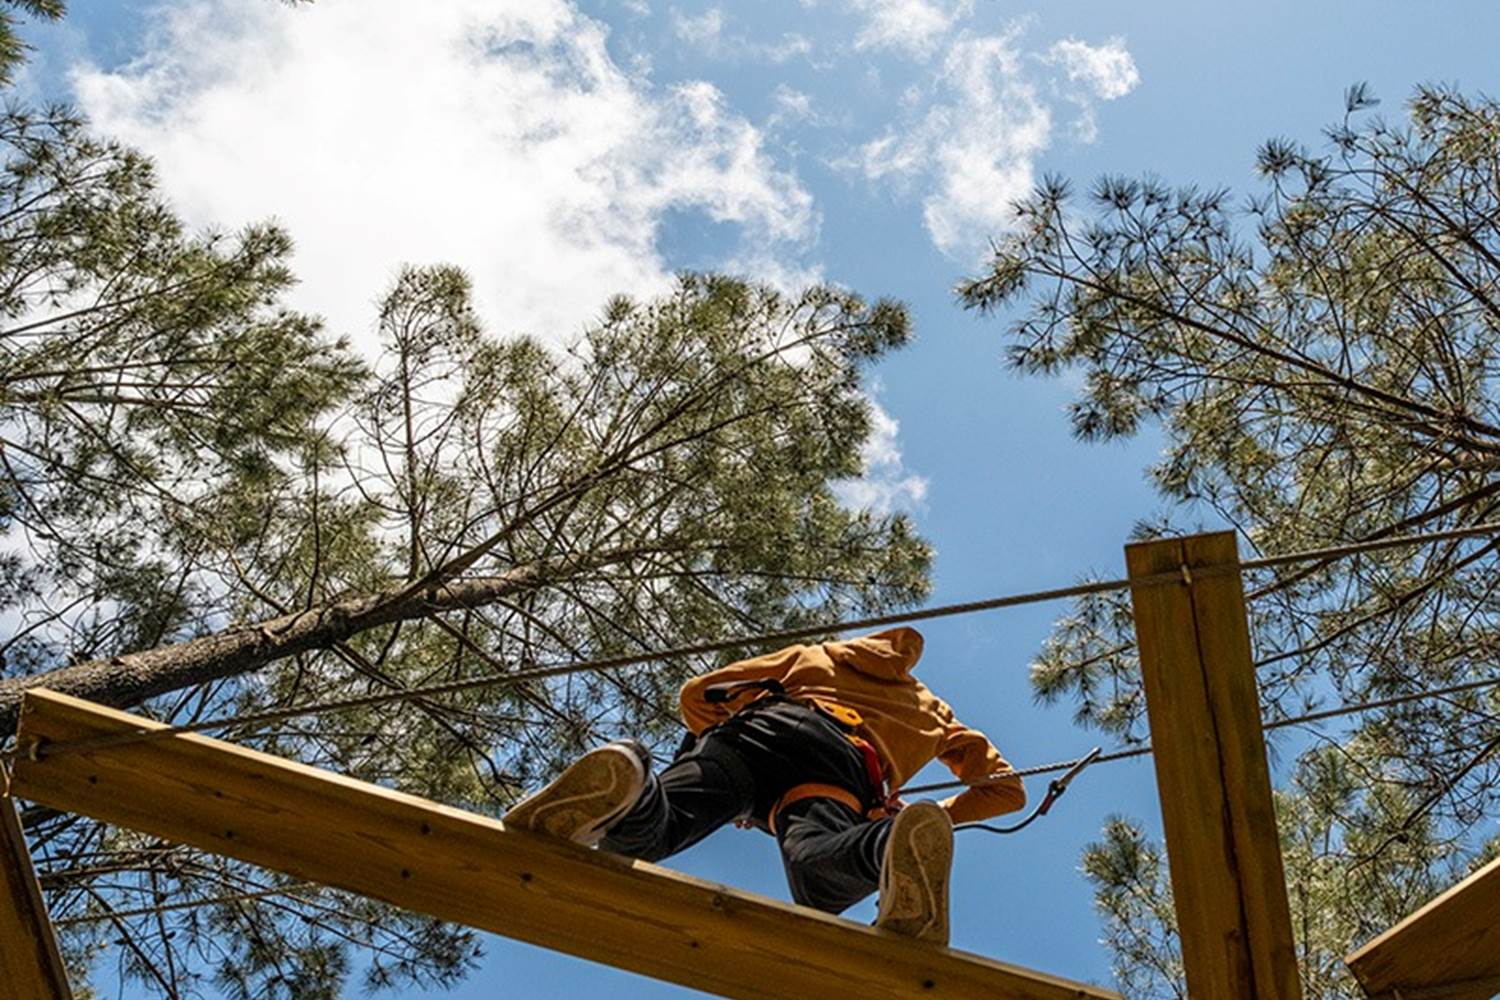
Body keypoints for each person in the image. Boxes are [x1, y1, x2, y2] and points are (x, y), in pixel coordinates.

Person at [503, 626, 1024, 945]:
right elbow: (1006, 790)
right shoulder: (934, 711)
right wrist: (932, 819)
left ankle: (631, 786)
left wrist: (714, 740)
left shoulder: (818, 655)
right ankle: (888, 844)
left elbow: (698, 692)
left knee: (656, 826)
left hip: (758, 734)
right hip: (837, 772)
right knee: (821, 874)